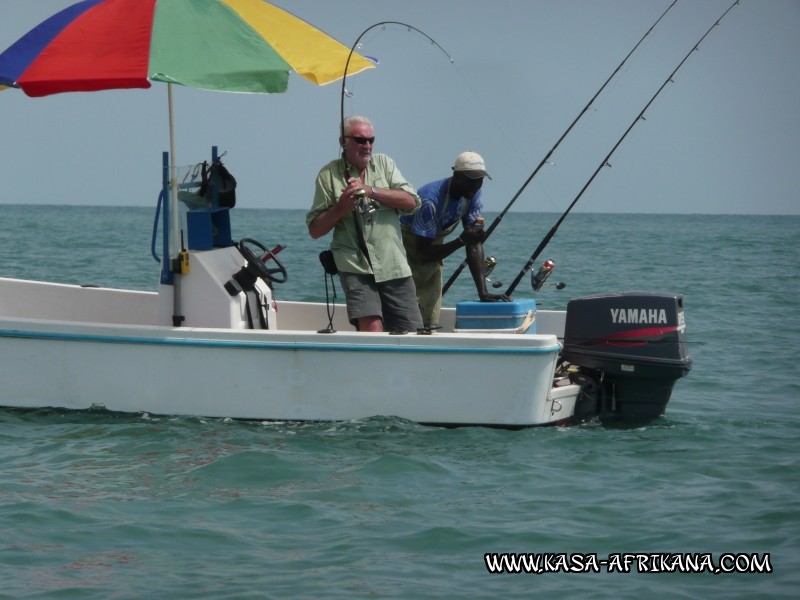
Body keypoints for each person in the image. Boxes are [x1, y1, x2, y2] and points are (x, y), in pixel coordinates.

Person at [307, 115, 424, 333]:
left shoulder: (385, 164)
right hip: (354, 265)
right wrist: (341, 207)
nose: (367, 145)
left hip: (393, 263)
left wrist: (372, 191)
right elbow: (315, 230)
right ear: (343, 142)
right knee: (372, 330)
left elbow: (412, 202)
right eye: (360, 140)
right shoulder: (328, 175)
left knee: (412, 332)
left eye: (371, 140)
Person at [401, 151, 510, 328]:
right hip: (406, 250)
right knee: (404, 318)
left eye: (480, 180)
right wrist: (460, 240)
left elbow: (473, 242)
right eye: (470, 179)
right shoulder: (430, 201)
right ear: (456, 175)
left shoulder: (472, 194)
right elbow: (422, 253)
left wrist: (483, 292)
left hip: (432, 255)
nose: (475, 185)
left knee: (429, 321)